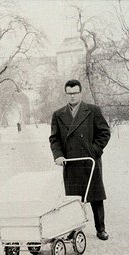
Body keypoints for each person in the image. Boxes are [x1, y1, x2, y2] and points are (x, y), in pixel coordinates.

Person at [49, 79, 111, 240]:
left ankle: (101, 228)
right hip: (70, 162)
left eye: (75, 93)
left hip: (89, 161)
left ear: (80, 93)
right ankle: (72, 229)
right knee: (72, 198)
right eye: (69, 93)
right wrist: (58, 155)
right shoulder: (58, 114)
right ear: (66, 94)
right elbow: (54, 139)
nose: (72, 96)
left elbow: (104, 132)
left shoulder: (93, 111)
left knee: (96, 196)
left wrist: (94, 151)